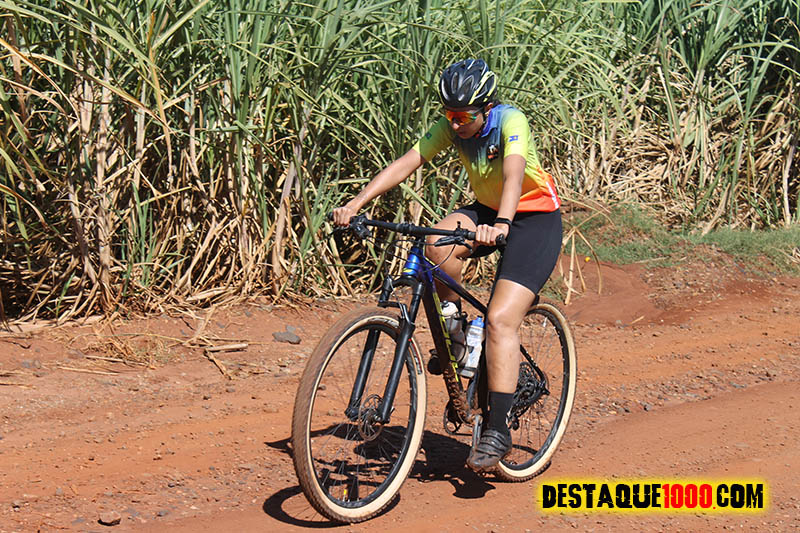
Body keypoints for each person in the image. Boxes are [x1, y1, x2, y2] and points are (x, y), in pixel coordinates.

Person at [333, 59, 562, 472]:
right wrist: (356, 203)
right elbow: (407, 161)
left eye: (464, 117)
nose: (455, 125)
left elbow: (513, 176)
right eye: (450, 115)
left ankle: (497, 431)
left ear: (486, 109)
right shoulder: (452, 126)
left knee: (500, 320)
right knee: (435, 245)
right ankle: (455, 328)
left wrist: (502, 224)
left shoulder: (510, 121)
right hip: (488, 210)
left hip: (533, 219)